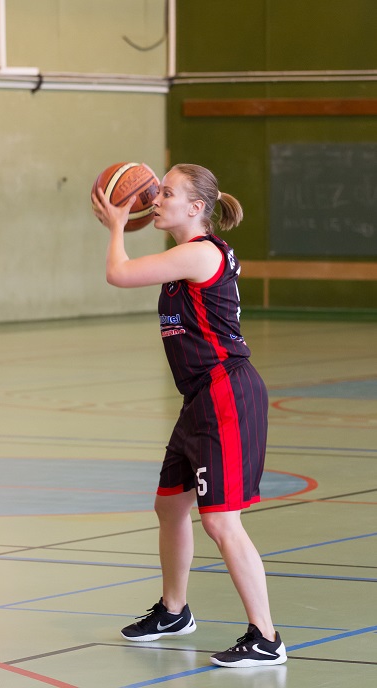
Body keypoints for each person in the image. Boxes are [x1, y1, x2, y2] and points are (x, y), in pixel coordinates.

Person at [92, 163, 287, 668]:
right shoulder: (185, 257)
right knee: (170, 507)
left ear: (196, 208)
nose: (156, 198)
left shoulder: (199, 254)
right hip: (199, 397)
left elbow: (118, 273)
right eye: (155, 191)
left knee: (221, 522)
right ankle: (175, 611)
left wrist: (116, 225)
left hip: (227, 392)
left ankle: (266, 637)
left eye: (167, 192)